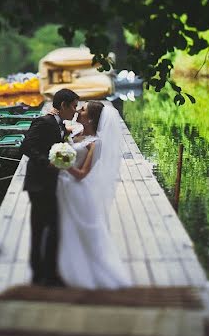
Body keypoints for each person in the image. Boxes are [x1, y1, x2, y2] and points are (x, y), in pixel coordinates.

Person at [56, 101, 132, 288]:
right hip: (63, 186)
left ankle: (83, 273)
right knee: (64, 229)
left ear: (89, 118)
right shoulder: (76, 134)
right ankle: (62, 268)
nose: (78, 110)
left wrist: (63, 165)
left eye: (82, 109)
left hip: (76, 189)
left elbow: (82, 174)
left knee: (79, 231)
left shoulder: (95, 143)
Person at [19, 88, 79, 286]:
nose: (75, 111)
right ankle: (45, 275)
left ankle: (43, 273)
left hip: (48, 183)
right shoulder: (43, 121)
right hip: (38, 183)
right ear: (63, 105)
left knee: (48, 227)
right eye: (73, 107)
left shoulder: (58, 123)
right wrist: (47, 162)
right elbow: (26, 146)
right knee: (45, 228)